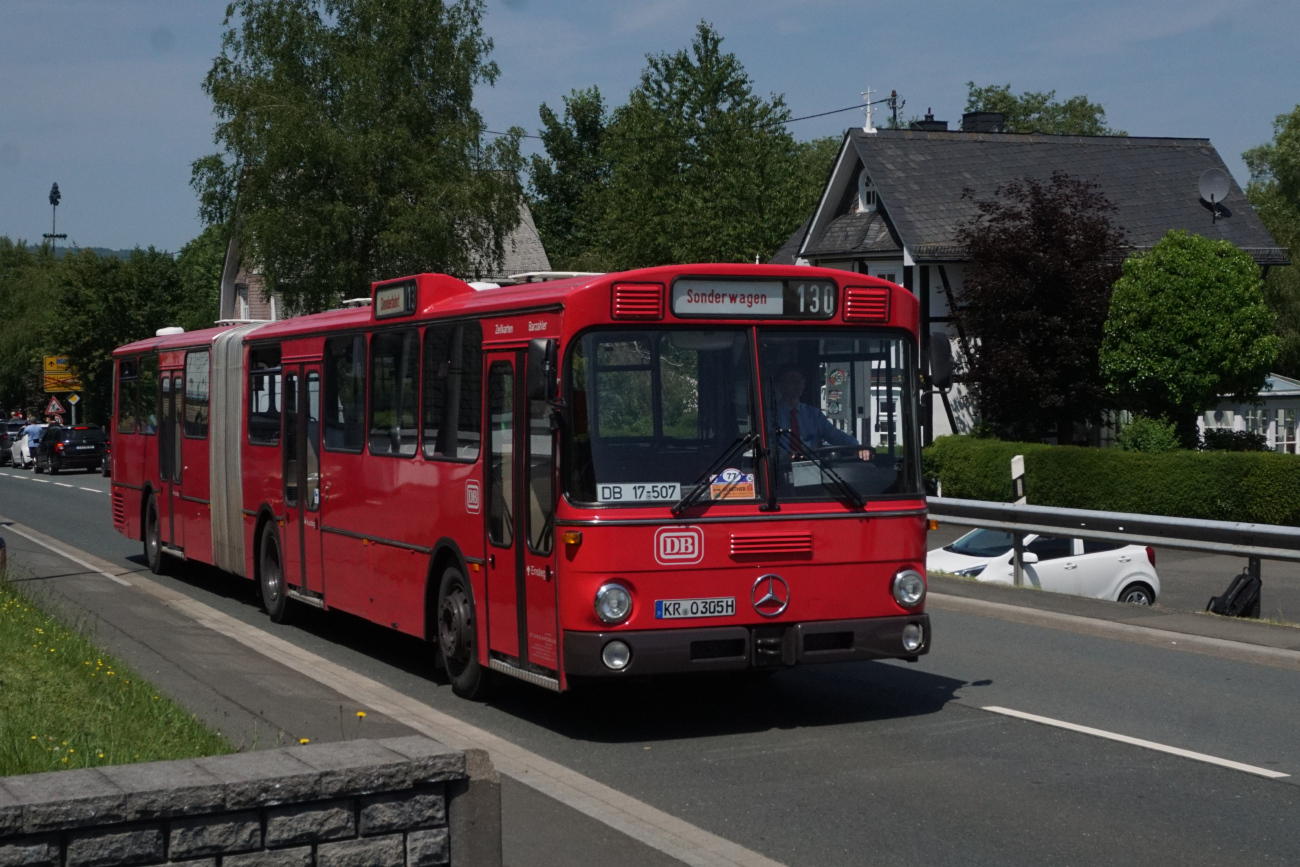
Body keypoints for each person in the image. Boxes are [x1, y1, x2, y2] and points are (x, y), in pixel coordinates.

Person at [771, 365, 872, 461]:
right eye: (792, 379)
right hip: (779, 472)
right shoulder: (770, 416)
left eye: (801, 379)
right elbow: (767, 448)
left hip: (812, 470)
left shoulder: (813, 414)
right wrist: (784, 456)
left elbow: (835, 435)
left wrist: (857, 447)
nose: (798, 383)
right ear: (780, 385)